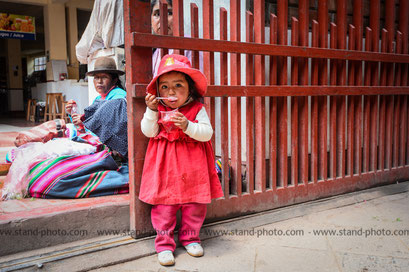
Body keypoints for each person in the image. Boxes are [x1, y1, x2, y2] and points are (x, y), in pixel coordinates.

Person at [139, 54, 223, 266]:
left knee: (195, 204)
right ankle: (164, 245)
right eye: (164, 87)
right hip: (165, 168)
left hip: (194, 168)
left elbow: (207, 133)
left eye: (178, 85)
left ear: (190, 88)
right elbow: (148, 132)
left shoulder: (197, 110)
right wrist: (150, 111)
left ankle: (191, 238)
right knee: (164, 207)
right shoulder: (157, 109)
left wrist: (187, 125)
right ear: (157, 91)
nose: (171, 92)